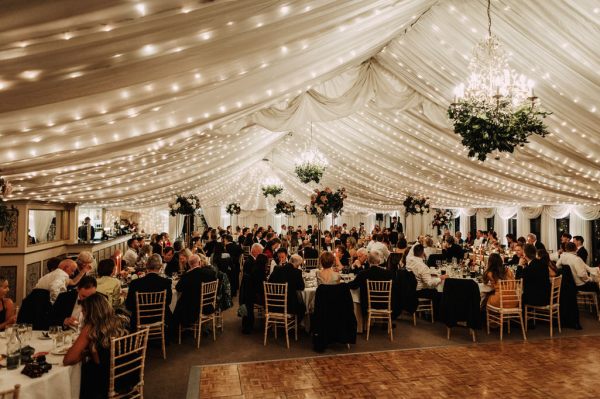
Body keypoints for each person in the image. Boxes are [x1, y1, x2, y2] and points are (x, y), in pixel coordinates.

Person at [63, 293, 129, 399]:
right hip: (128, 374)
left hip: (105, 382)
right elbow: (104, 351)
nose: (82, 313)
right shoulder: (119, 321)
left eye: (83, 310)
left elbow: (68, 359)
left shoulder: (91, 327)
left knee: (81, 371)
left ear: (90, 312)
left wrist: (82, 354)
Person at [125, 254, 173, 332]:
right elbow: (168, 301)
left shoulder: (135, 283)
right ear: (161, 266)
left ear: (146, 266)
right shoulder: (166, 282)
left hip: (140, 319)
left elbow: (129, 305)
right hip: (159, 317)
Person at [174, 254, 218, 330]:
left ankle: (176, 329)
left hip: (191, 308)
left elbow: (178, 288)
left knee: (177, 304)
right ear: (200, 262)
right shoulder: (210, 273)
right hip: (207, 304)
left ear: (189, 264)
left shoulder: (187, 276)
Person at [348, 251, 397, 317]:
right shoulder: (388, 273)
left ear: (368, 261)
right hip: (385, 303)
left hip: (368, 304)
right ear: (379, 261)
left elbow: (353, 286)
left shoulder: (363, 273)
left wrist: (346, 282)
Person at [268, 252, 306, 321]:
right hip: (289, 306)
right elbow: (301, 287)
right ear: (296, 264)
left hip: (273, 304)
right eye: (298, 265)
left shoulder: (276, 268)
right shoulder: (297, 272)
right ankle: (296, 326)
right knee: (303, 307)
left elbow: (269, 282)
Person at [240, 245, 266, 334]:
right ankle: (247, 327)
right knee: (249, 308)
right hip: (249, 290)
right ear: (255, 251)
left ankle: (248, 326)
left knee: (249, 309)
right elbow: (253, 277)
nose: (261, 254)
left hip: (248, 289)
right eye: (260, 252)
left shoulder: (251, 260)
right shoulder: (250, 261)